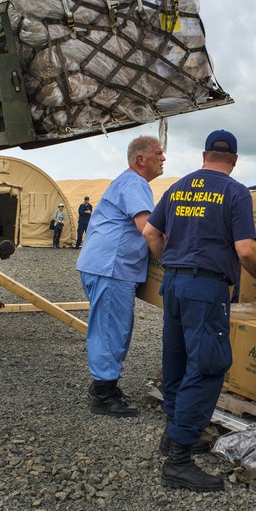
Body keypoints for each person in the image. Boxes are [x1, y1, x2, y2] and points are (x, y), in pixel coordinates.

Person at [143, 129, 256, 492]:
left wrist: (170, 264)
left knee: (177, 358)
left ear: (203, 155)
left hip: (176, 284)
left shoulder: (179, 186)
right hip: (206, 287)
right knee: (210, 363)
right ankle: (179, 460)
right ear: (233, 160)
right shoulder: (234, 191)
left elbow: (151, 233)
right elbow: (246, 249)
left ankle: (173, 433)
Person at [77, 136, 166, 417]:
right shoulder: (134, 184)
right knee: (110, 328)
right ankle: (103, 396)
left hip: (107, 266)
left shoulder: (129, 183)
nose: (163, 158)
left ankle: (105, 385)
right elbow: (148, 229)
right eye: (158, 153)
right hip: (111, 267)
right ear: (141, 159)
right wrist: (170, 262)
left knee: (114, 326)